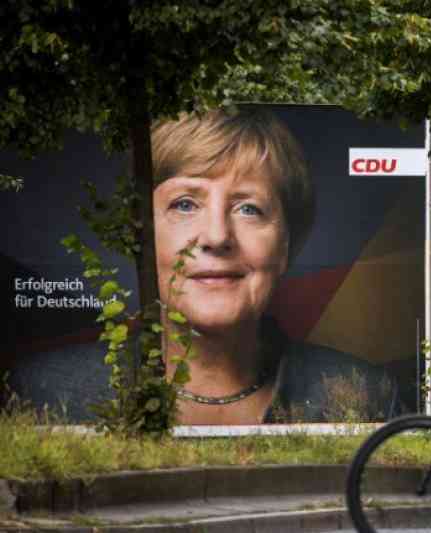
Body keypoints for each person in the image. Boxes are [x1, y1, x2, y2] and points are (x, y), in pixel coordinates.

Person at [6, 107, 383, 424]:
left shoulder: (367, 394)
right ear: (140, 235)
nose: (217, 236)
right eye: (185, 204)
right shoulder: (41, 392)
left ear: (287, 243)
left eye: (248, 209)